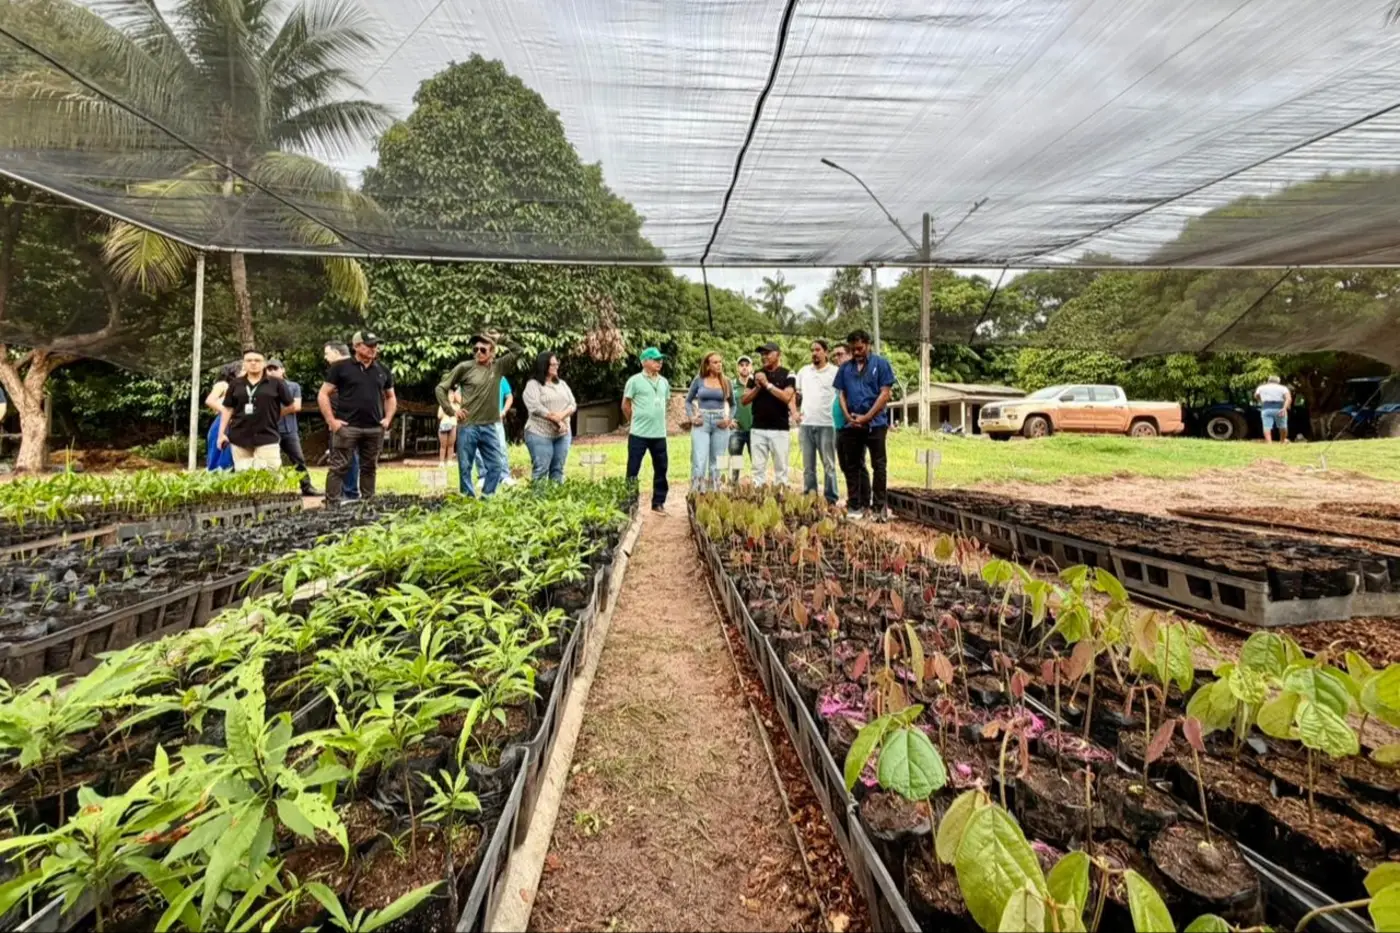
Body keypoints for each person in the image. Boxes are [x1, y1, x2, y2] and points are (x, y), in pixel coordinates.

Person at [436, 331, 520, 497]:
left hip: (490, 426)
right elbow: (440, 388)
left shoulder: (498, 367)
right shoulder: (465, 367)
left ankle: (487, 497)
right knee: (465, 467)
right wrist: (452, 410)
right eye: (475, 349)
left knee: (496, 465)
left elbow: (518, 351)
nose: (478, 353)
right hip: (469, 425)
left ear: (492, 352)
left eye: (483, 349)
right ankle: (468, 499)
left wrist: (500, 338)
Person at [318, 332, 396, 503]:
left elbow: (390, 396)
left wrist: (387, 419)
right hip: (347, 426)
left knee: (369, 468)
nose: (373, 349)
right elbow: (323, 394)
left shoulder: (382, 370)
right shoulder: (340, 367)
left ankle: (368, 503)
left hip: (374, 427)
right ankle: (332, 504)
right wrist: (332, 421)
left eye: (375, 345)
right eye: (369, 345)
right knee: (339, 466)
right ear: (356, 346)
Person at [834, 329, 896, 522]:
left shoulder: (881, 364)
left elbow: (884, 394)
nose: (856, 352)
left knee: (879, 465)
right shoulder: (845, 368)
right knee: (852, 465)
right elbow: (841, 394)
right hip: (852, 424)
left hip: (875, 424)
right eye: (853, 349)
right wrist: (848, 416)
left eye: (860, 348)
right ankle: (855, 505)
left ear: (868, 345)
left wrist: (867, 417)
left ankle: (878, 507)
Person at [217, 349, 295, 471]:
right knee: (243, 476)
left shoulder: (277, 383)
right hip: (239, 437)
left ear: (264, 364)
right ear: (244, 363)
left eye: (257, 360)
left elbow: (291, 405)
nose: (253, 363)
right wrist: (221, 434)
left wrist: (273, 415)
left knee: (270, 474)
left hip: (267, 436)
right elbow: (228, 409)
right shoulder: (235, 384)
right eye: (249, 360)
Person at [742, 342, 797, 487]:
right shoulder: (755, 374)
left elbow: (787, 397)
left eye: (767, 353)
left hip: (780, 429)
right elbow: (744, 400)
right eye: (762, 354)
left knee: (781, 470)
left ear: (778, 354)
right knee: (757, 470)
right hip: (758, 429)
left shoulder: (788, 373)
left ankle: (780, 497)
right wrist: (758, 387)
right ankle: (758, 497)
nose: (764, 356)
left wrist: (767, 384)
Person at [623, 347, 671, 513]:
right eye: (655, 359)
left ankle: (658, 502)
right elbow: (625, 405)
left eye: (660, 359)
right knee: (633, 468)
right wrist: (633, 421)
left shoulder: (664, 382)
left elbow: (666, 403)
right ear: (644, 362)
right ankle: (630, 503)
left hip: (659, 433)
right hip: (638, 434)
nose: (659, 362)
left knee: (661, 468)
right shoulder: (634, 381)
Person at [795, 339, 840, 504]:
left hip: (827, 424)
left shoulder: (835, 372)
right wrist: (795, 412)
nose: (814, 353)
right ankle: (810, 497)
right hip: (806, 424)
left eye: (818, 350)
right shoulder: (804, 371)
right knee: (808, 466)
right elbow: (795, 394)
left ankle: (831, 499)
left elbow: (842, 396)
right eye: (812, 350)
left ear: (826, 352)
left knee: (829, 464)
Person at [522, 351, 577, 483]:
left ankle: (556, 496)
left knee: (558, 470)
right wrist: (555, 419)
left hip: (562, 434)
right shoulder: (533, 385)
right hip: (539, 433)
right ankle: (538, 496)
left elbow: (572, 404)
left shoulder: (562, 384)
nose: (556, 366)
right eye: (553, 364)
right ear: (544, 365)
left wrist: (561, 416)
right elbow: (535, 407)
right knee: (541, 470)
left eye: (557, 364)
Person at [266, 359, 317, 495]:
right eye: (269, 369)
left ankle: (306, 486)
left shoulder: (293, 386)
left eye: (275, 368)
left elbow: (297, 406)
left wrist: (274, 413)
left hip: (289, 429)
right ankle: (272, 490)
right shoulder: (263, 387)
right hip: (270, 430)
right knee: (270, 461)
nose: (272, 371)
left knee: (298, 459)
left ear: (283, 370)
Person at [685, 352, 734, 491]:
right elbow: (688, 401)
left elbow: (733, 405)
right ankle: (696, 495)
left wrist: (728, 419)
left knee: (717, 462)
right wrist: (692, 417)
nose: (719, 365)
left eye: (720, 362)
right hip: (702, 422)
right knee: (699, 461)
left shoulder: (726, 381)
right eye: (715, 362)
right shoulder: (698, 380)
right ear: (707, 365)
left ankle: (714, 495)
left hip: (720, 423)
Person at [323, 342, 359, 499]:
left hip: (346, 421)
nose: (325, 357)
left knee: (347, 457)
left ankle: (349, 493)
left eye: (327, 353)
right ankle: (341, 493)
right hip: (340, 420)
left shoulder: (347, 368)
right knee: (341, 457)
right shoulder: (343, 368)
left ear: (337, 352)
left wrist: (335, 419)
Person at [474, 377, 517, 488]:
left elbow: (509, 397)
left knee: (501, 446)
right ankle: (483, 476)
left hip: (495, 418)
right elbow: (458, 394)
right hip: (478, 418)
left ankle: (504, 476)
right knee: (478, 449)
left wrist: (503, 411)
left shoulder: (500, 378)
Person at [204, 361, 240, 471]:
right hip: (221, 422)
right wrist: (226, 412)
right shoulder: (223, 385)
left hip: (234, 423)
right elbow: (210, 400)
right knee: (217, 453)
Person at [728, 355, 754, 482]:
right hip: (737, 429)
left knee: (756, 460)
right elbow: (724, 403)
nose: (744, 367)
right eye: (741, 365)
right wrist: (729, 419)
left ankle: (757, 485)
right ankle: (734, 484)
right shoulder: (731, 385)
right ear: (737, 368)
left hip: (754, 429)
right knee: (736, 458)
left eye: (747, 365)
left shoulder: (756, 385)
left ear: (751, 368)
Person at [1255, 375, 1292, 445]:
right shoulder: (1283, 388)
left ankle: (1269, 443)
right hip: (1279, 408)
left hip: (1266, 408)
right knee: (1283, 426)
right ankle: (1282, 441)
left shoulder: (1261, 388)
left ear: (1268, 381)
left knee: (1266, 426)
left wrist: (1261, 401)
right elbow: (1288, 398)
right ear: (1278, 381)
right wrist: (1284, 408)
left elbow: (1256, 395)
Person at [438, 388, 461, 468]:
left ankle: (450, 461)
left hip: (453, 425)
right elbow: (439, 416)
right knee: (443, 445)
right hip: (444, 425)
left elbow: (459, 416)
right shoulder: (443, 405)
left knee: (451, 444)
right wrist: (445, 410)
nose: (451, 396)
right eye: (450, 395)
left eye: (452, 395)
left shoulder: (457, 406)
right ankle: (441, 462)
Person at [830, 345, 850, 431]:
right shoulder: (840, 372)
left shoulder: (853, 372)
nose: (836, 358)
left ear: (850, 355)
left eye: (839, 354)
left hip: (849, 424)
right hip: (838, 424)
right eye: (834, 355)